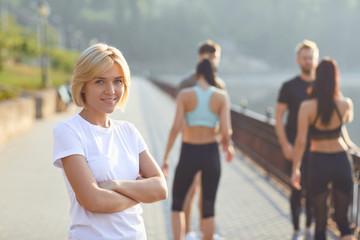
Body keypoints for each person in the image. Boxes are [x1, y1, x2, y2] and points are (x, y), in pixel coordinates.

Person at [52, 43, 168, 239]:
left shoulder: (129, 131)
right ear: (83, 85)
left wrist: (115, 185)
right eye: (99, 81)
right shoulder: (69, 131)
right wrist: (140, 193)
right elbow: (93, 201)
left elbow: (160, 189)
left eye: (118, 81)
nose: (111, 90)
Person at [162, 58, 234, 240]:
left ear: (196, 74)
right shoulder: (221, 96)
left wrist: (166, 156)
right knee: (208, 207)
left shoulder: (185, 95)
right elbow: (226, 131)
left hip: (189, 152)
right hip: (211, 153)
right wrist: (227, 144)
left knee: (177, 203)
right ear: (213, 75)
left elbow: (176, 128)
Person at [291, 58, 357, 240]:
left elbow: (301, 141)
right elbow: (342, 124)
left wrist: (295, 168)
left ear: (316, 78)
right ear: (336, 78)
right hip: (341, 161)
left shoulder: (307, 107)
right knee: (343, 221)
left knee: (320, 222)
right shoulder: (345, 104)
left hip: (319, 162)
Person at [177, 40, 226, 240]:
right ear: (200, 58)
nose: (211, 61)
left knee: (207, 192)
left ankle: (204, 231)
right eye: (208, 57)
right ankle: (187, 231)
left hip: (210, 145)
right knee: (190, 189)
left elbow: (223, 119)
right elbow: (178, 118)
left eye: (214, 57)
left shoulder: (220, 84)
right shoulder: (187, 83)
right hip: (191, 145)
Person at [275, 39, 319, 239]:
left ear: (316, 59)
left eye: (311, 58)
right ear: (298, 60)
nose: (308, 61)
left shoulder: (324, 86)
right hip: (295, 145)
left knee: (314, 190)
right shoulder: (289, 86)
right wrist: (285, 144)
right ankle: (295, 229)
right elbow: (278, 117)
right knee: (296, 189)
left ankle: (309, 227)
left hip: (319, 147)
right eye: (305, 58)